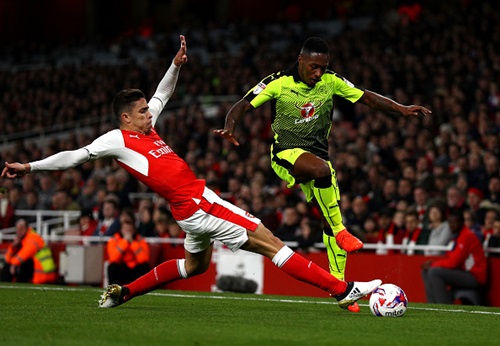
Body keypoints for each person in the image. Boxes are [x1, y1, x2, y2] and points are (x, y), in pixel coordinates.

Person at [1, 35, 381, 310]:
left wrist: (175, 66)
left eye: (149, 111)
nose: (151, 114)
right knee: (270, 242)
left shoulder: (146, 128)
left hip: (187, 213)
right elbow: (75, 156)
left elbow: (162, 95)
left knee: (195, 266)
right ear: (125, 118)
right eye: (143, 112)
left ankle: (125, 292)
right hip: (199, 204)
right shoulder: (117, 139)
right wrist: (29, 167)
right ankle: (343, 289)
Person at [213, 36, 431, 304]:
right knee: (324, 174)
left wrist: (401, 108)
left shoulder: (332, 81)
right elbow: (243, 104)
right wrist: (230, 126)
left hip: (317, 160)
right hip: (285, 156)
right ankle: (340, 230)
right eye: (313, 67)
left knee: (328, 217)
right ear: (300, 60)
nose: (318, 73)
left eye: (323, 68)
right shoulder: (278, 82)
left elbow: (366, 97)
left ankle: (341, 288)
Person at [421, 210, 488, 305]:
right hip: (463, 272)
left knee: (434, 271)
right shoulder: (457, 236)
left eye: (455, 222)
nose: (452, 225)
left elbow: (454, 262)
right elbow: (451, 258)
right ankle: (431, 305)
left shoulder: (466, 236)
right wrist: (433, 265)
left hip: (474, 276)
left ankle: (444, 307)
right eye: (450, 223)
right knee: (426, 271)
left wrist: (433, 265)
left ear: (461, 222)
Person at [0, 219, 57, 284]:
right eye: (17, 229)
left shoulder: (33, 237)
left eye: (21, 228)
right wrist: (12, 247)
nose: (19, 231)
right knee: (9, 265)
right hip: (36, 272)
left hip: (44, 273)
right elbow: (7, 259)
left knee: (21, 264)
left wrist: (14, 264)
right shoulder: (21, 240)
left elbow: (26, 253)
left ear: (27, 228)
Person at [107, 208, 150, 285]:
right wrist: (124, 242)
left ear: (133, 229)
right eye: (125, 229)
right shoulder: (114, 239)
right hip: (122, 268)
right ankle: (113, 291)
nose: (128, 232)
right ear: (121, 229)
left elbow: (143, 259)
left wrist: (133, 243)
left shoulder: (140, 239)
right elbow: (113, 259)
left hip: (135, 268)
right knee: (112, 267)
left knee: (145, 267)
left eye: (129, 230)